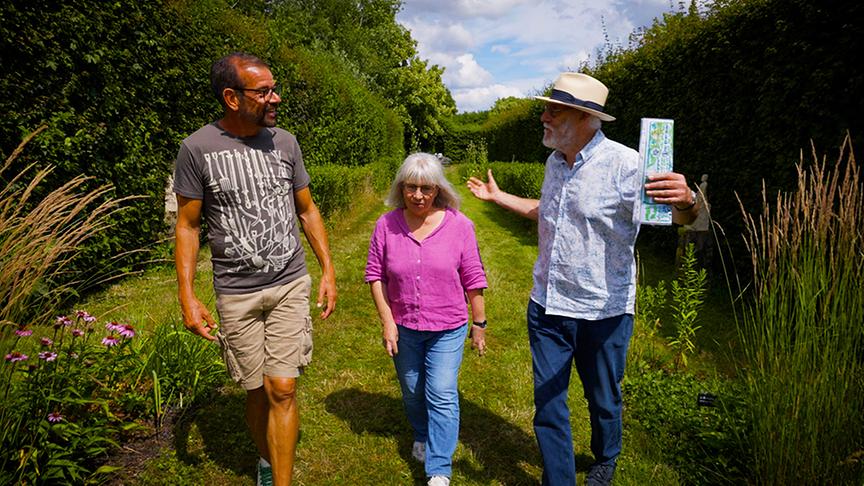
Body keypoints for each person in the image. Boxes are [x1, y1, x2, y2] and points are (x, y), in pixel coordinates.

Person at [467, 73, 699, 486]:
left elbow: (675, 218)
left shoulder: (627, 166)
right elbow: (549, 210)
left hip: (603, 312)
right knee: (549, 404)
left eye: (553, 110)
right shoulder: (554, 163)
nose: (543, 116)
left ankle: (606, 459)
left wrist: (688, 202)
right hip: (546, 306)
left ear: (585, 118)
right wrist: (497, 197)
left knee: (603, 398)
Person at [173, 52, 337, 486]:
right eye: (263, 91)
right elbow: (188, 226)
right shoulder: (197, 149)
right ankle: (266, 458)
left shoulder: (285, 142)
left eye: (273, 88)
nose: (275, 98)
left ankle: (279, 480)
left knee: (282, 388)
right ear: (231, 97)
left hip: (288, 282)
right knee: (255, 391)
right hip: (236, 292)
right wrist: (187, 296)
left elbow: (307, 210)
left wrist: (328, 270)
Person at [365, 153, 488, 486]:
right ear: (401, 188)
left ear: (438, 190)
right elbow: (375, 276)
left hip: (447, 326)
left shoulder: (460, 225)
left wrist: (479, 324)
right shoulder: (386, 225)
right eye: (411, 187)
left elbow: (473, 276)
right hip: (404, 325)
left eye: (426, 188)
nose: (418, 195)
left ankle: (439, 468)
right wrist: (387, 321)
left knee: (441, 392)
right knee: (412, 391)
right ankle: (421, 432)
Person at [679, 174, 712, 271]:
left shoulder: (704, 185)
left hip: (701, 209)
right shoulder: (702, 186)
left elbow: (701, 195)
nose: (702, 178)